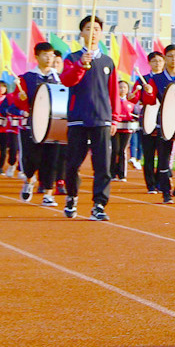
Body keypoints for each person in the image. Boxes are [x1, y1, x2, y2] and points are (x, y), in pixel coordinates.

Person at [59, 16, 118, 220]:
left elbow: (113, 92)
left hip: (102, 119)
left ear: (101, 33)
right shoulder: (72, 58)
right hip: (78, 118)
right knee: (73, 163)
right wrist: (80, 66)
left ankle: (99, 205)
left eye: (96, 29)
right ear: (81, 33)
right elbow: (67, 80)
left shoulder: (107, 62)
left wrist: (114, 118)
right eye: (87, 28)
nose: (92, 33)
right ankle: (72, 196)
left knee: (103, 165)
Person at [141, 45, 175, 203]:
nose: (173, 59)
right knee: (163, 158)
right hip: (165, 124)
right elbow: (150, 101)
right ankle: (166, 191)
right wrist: (148, 92)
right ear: (165, 58)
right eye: (170, 56)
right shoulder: (157, 79)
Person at [14, 43, 67, 206]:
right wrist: (22, 101)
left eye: (51, 55)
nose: (49, 58)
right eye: (45, 55)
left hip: (53, 126)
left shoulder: (60, 79)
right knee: (32, 159)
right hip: (32, 126)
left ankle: (48, 195)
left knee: (52, 160)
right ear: (36, 57)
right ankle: (29, 179)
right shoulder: (27, 78)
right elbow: (18, 100)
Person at [137, 52, 165, 192]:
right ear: (149, 63)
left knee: (163, 154)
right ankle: (150, 184)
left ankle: (160, 182)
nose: (157, 63)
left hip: (163, 120)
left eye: (160, 61)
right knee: (148, 154)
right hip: (147, 119)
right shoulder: (143, 79)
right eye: (154, 61)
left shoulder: (165, 79)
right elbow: (135, 97)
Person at [110, 80, 136, 182]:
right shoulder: (112, 102)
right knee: (114, 150)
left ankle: (121, 174)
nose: (122, 89)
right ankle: (112, 173)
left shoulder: (131, 104)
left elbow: (136, 115)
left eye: (125, 87)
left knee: (122, 150)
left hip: (126, 129)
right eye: (120, 87)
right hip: (115, 129)